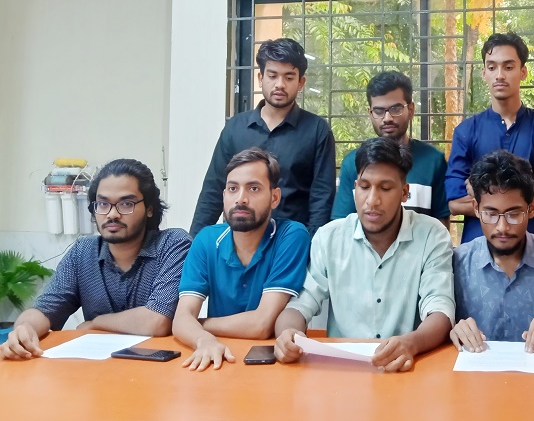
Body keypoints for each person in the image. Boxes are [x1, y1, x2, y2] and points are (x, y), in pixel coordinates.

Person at [273, 137, 455, 372]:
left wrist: (411, 343)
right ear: (355, 188)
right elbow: (301, 303)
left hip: (408, 369)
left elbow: (440, 309)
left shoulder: (431, 235)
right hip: (343, 372)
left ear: (404, 192)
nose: (372, 201)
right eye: (364, 186)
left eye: (385, 188)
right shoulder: (329, 238)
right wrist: (288, 334)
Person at [0, 159, 191, 360]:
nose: (112, 214)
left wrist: (96, 323)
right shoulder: (83, 251)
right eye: (103, 204)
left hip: (160, 369)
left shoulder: (172, 244)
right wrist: (24, 328)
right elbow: (45, 309)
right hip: (96, 369)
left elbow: (157, 320)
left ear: (150, 208)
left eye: (126, 204)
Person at [174, 149, 311, 371]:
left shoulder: (291, 236)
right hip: (217, 357)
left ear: (274, 197)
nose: (240, 199)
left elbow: (261, 325)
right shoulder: (207, 239)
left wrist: (197, 325)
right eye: (232, 188)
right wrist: (203, 339)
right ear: (224, 196)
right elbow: (181, 318)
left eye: (253, 188)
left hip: (276, 363)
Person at [191, 38, 335, 237]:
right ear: (260, 78)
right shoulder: (235, 128)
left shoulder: (317, 130)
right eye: (272, 76)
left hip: (291, 242)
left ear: (301, 82)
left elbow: (322, 198)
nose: (280, 84)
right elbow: (214, 189)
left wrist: (310, 246)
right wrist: (193, 244)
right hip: (239, 240)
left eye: (289, 77)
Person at [446, 32, 534, 243]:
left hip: (533, 249)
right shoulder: (466, 131)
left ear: (523, 72)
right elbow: (456, 203)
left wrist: (482, 192)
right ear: (484, 73)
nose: (500, 75)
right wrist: (530, 190)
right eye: (492, 67)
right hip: (478, 251)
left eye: (508, 67)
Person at [451, 150, 534, 354]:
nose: (502, 227)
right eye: (491, 214)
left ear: (532, 208)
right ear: (476, 209)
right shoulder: (455, 264)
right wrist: (450, 331)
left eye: (514, 214)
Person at [332, 70, 450, 227]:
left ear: (411, 110)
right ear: (370, 113)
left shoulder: (433, 161)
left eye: (395, 109)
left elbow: (441, 225)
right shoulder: (352, 163)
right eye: (379, 111)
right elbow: (341, 226)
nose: (387, 118)